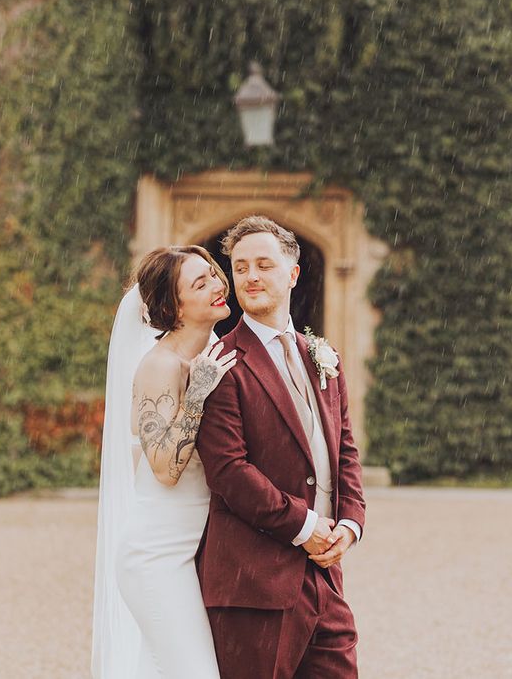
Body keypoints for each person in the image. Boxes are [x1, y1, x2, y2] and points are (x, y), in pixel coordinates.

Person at [195, 216, 366, 678]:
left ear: (292, 273)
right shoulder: (221, 364)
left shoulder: (321, 355)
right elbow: (229, 471)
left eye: (263, 265)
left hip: (325, 577)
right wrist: (304, 525)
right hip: (253, 584)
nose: (250, 276)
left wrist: (349, 523)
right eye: (241, 266)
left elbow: (344, 448)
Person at [91, 245, 236, 679]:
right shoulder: (160, 365)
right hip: (154, 558)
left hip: (189, 553)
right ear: (174, 308)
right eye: (200, 282)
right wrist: (197, 394)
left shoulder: (211, 351)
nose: (217, 284)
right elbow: (164, 470)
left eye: (212, 273)